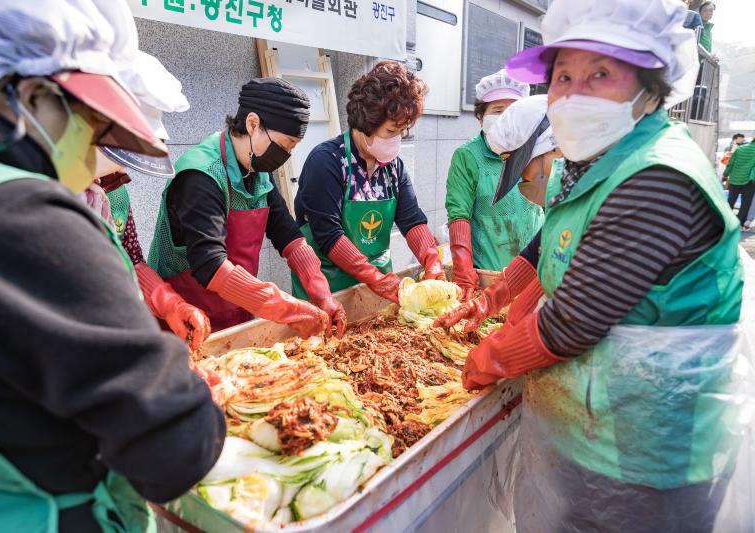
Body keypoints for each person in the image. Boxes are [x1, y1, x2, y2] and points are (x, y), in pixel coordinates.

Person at [436, 0, 750, 531]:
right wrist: (492, 298)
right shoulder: (597, 164)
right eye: (562, 76)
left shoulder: (657, 178)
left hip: (643, 453)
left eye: (600, 73)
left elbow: (571, 322)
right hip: (590, 429)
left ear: (651, 89)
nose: (573, 92)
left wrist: (483, 359)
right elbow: (548, 245)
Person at [0, 1, 225, 531]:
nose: (95, 158)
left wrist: (162, 299)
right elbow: (174, 448)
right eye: (92, 127)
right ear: (33, 97)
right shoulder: (17, 216)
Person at [148, 78, 346, 337]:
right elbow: (210, 264)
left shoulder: (258, 169)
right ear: (253, 124)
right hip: (184, 319)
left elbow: (288, 235)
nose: (285, 156)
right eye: (284, 145)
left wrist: (321, 292)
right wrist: (286, 309)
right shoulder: (201, 174)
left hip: (236, 309)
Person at [82, 51, 211, 352]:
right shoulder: (30, 189)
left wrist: (168, 302)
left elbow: (131, 259)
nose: (124, 170)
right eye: (123, 155)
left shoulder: (113, 191)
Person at [293, 61, 444, 304]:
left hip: (379, 278)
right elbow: (329, 235)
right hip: (328, 284)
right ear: (366, 123)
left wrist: (431, 258)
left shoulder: (394, 167)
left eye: (403, 130)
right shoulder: (327, 162)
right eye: (391, 131)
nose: (398, 139)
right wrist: (373, 278)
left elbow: (412, 219)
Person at [445, 70, 543, 300]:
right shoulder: (468, 156)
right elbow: (459, 214)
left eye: (513, 111)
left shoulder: (538, 151)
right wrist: (463, 270)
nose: (507, 118)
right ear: (480, 116)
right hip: (489, 277)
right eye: (498, 111)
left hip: (534, 273)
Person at [723, 139, 755, 227]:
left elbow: (731, 163)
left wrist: (726, 174)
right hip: (748, 180)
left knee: (731, 200)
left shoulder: (740, 148)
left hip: (735, 178)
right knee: (745, 203)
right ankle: (740, 222)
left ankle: (725, 220)